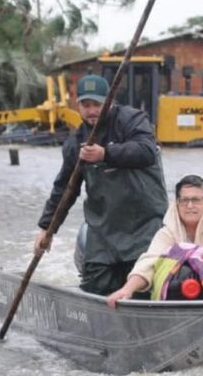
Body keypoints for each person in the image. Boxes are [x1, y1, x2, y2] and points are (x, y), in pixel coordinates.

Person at [34, 74, 168, 296]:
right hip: (103, 233)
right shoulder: (75, 143)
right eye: (86, 105)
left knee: (142, 286)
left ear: (110, 101)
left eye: (97, 104)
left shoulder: (132, 120)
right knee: (95, 286)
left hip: (144, 227)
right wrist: (47, 228)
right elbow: (64, 190)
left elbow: (146, 151)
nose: (92, 111)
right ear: (78, 106)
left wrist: (106, 153)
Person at [107, 174, 203, 307]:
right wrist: (127, 290)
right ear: (177, 203)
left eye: (196, 200)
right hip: (176, 302)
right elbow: (148, 263)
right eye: (184, 200)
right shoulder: (167, 233)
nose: (190, 206)